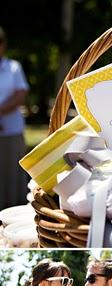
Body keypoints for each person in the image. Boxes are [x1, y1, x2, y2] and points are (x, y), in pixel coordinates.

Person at [0, 27, 29, 210]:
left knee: (11, 174)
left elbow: (21, 94)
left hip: (11, 131)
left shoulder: (13, 67)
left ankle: (12, 213)